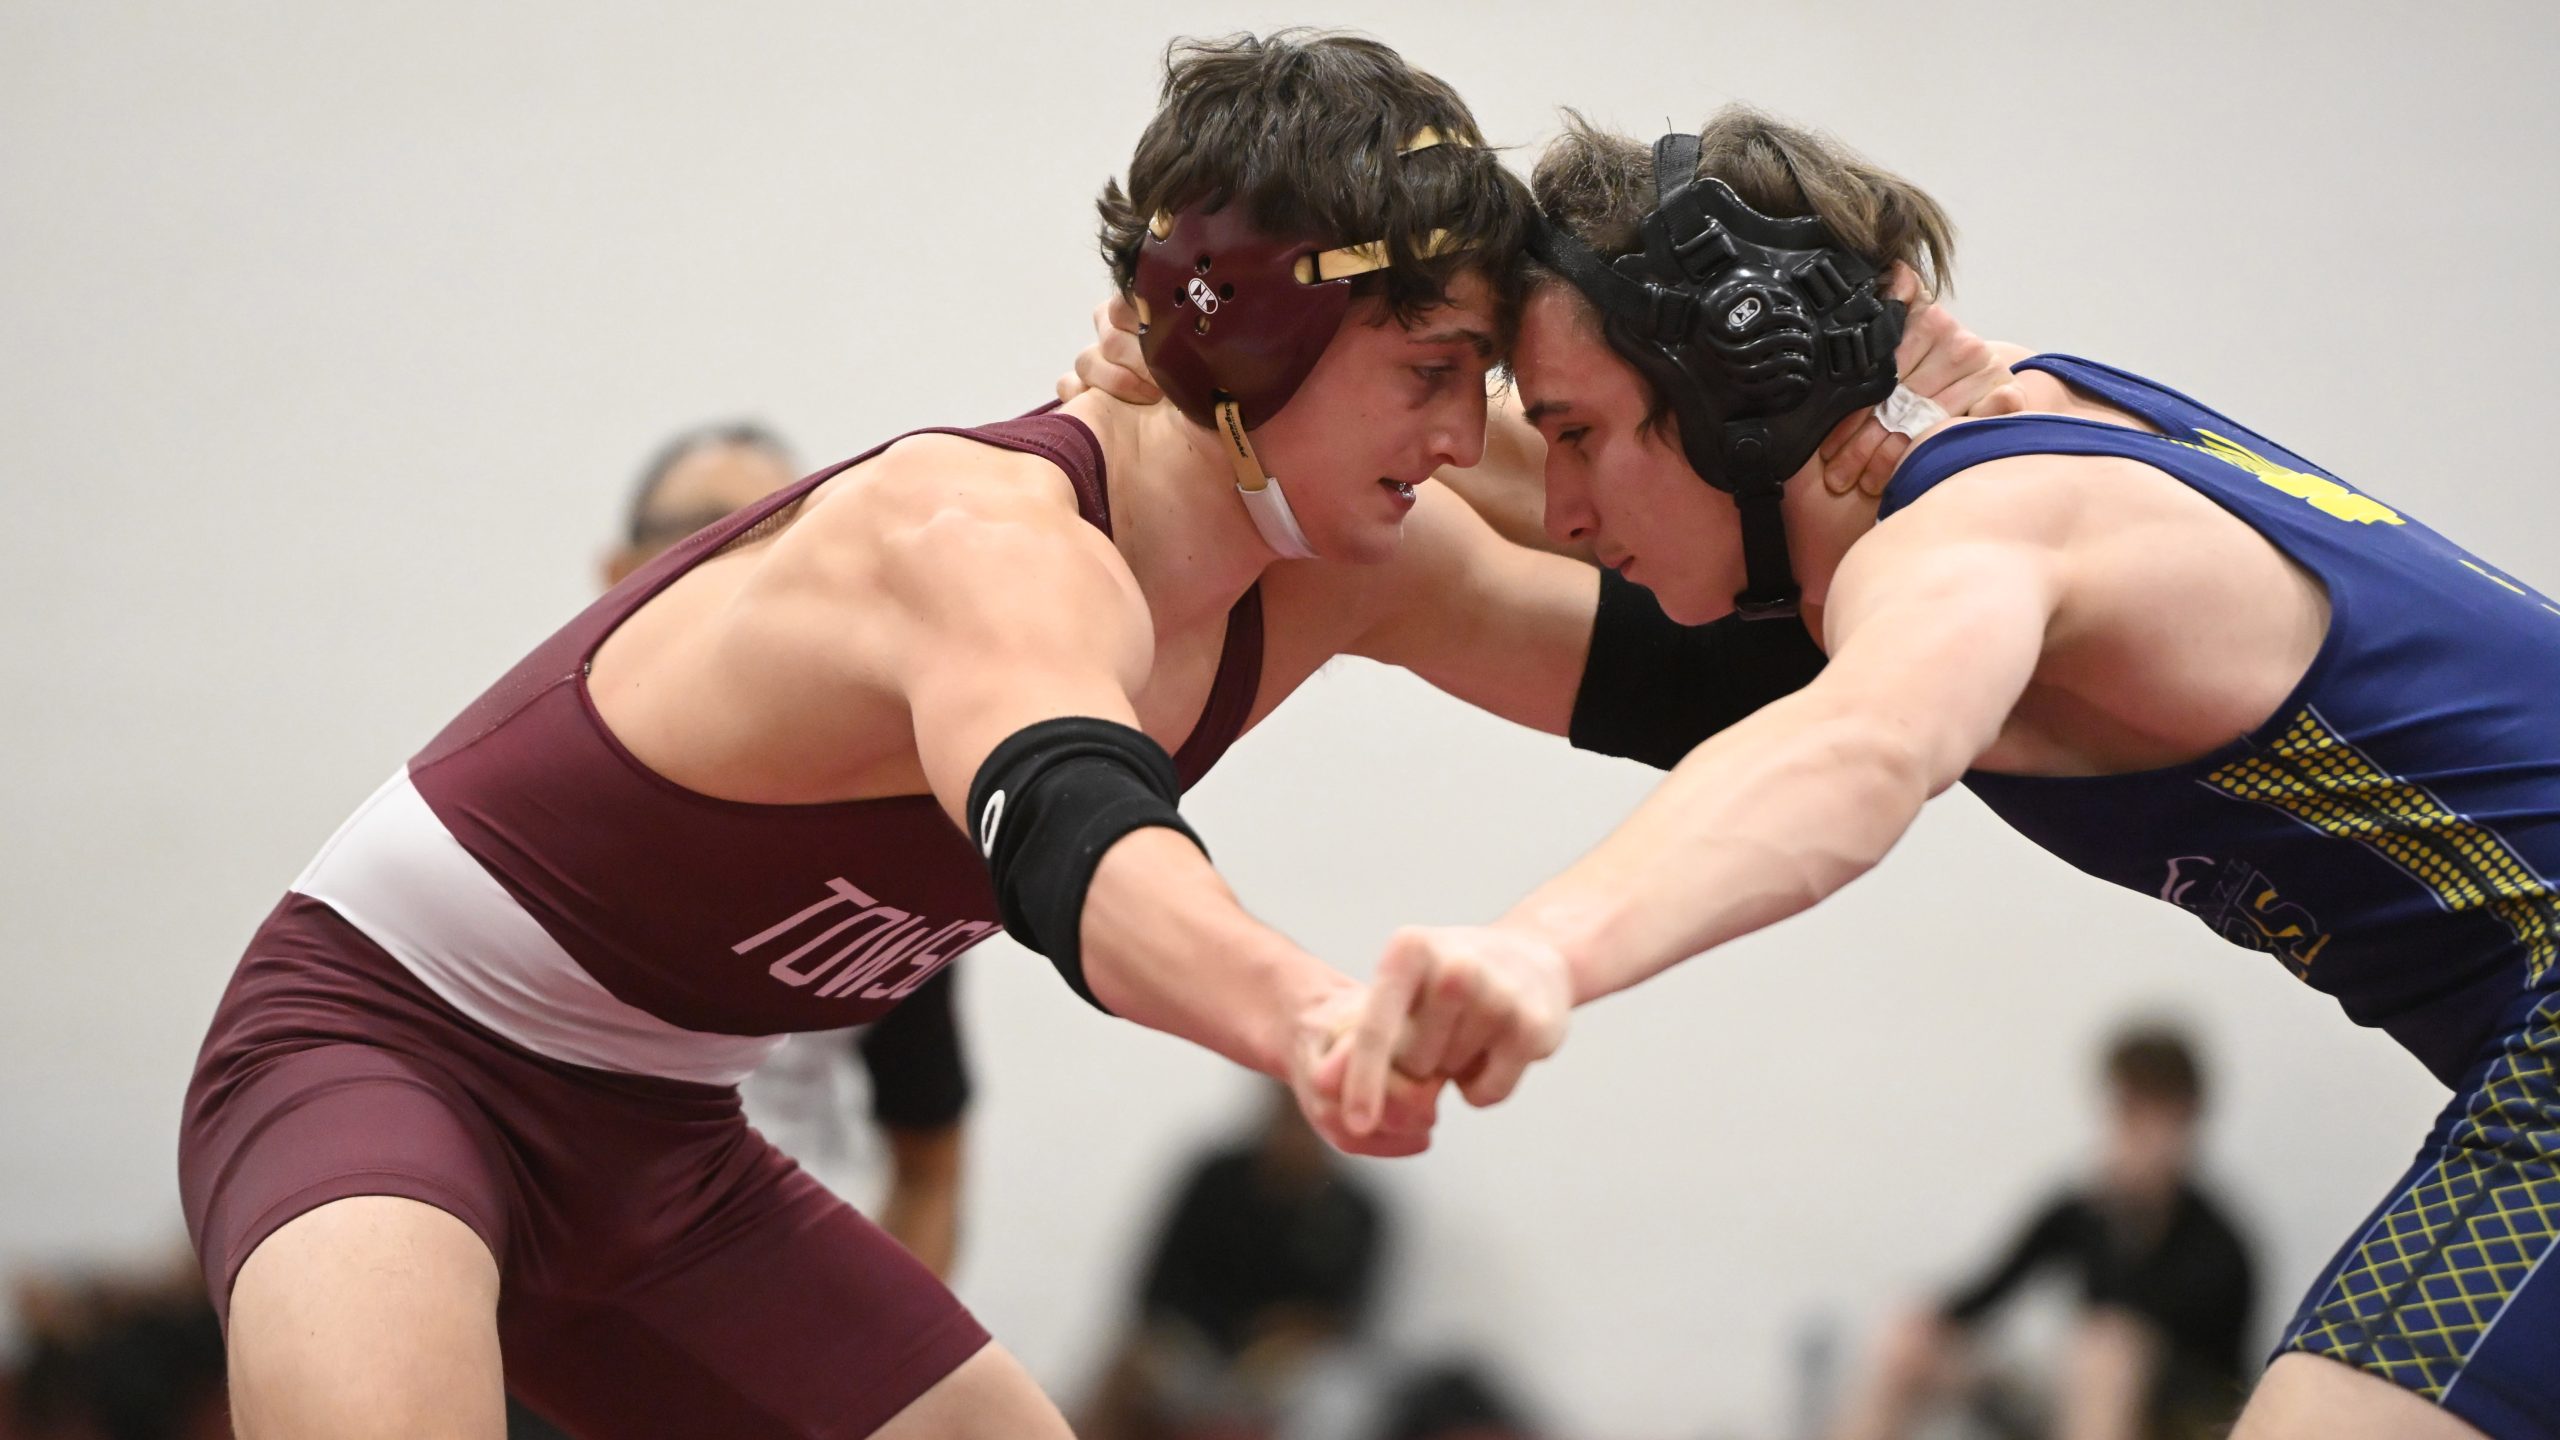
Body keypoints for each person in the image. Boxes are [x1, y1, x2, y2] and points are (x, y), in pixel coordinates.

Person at [178, 32, 1580, 1438]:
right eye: (1435, 371)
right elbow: (1084, 851)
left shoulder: (1340, 567)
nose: (1468, 435)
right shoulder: (977, 540)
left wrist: (1786, 473)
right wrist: (1312, 1015)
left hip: (662, 1148)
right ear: (1246, 335)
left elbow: (1698, 612)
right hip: (388, 1049)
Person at [1324, 105, 2560, 1439]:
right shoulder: (2006, 417)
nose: (1559, 508)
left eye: (1576, 437)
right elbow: (1472, 472)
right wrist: (1221, 397)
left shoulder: (1975, 536)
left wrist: (1545, 948)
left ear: (1744, 388)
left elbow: (1859, 753)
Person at [608, 421, 974, 1281]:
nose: (741, 571)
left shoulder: (882, 842)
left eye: (780, 535)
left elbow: (932, 1167)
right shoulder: (538, 805)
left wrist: (868, 1375)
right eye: (700, 534)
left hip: (768, 1326)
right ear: (616, 580)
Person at [1827, 1026, 2255, 1440]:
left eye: (2154, 1113)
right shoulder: (2079, 1212)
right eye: (2128, 1110)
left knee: (2105, 1351)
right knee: (1911, 1340)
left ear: (2187, 1117)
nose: (2137, 1131)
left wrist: (2138, 1214)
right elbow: (1986, 1295)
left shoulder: (2221, 1243)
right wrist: (1925, 1321)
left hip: (2184, 1418)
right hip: (2075, 1403)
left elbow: (2157, 1335)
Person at [1082, 1084, 1387, 1440]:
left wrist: (1292, 1334)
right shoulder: (1216, 1178)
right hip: (1195, 1348)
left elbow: (1354, 1318)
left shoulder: (1356, 1211)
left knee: (1335, 1402)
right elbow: (1155, 1285)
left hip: (1288, 1368)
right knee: (1126, 1371)